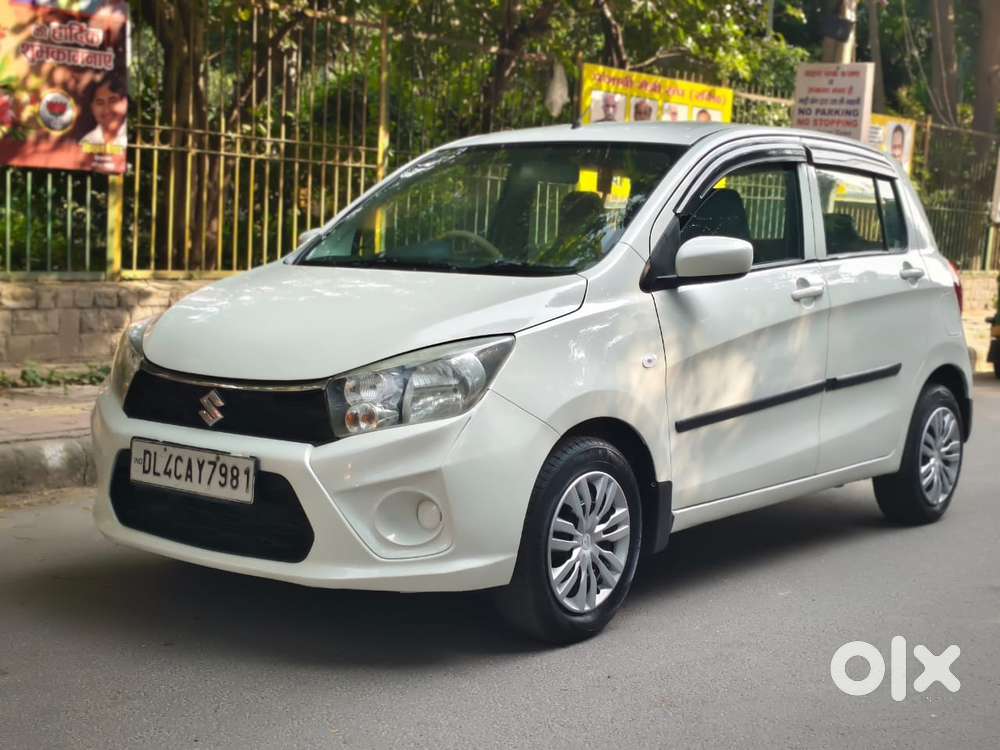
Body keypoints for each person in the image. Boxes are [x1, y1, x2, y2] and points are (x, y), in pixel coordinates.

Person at [79, 75, 128, 173]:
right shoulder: (86, 141)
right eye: (100, 102)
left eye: (113, 101)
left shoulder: (133, 137)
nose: (106, 110)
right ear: (92, 108)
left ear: (125, 103)